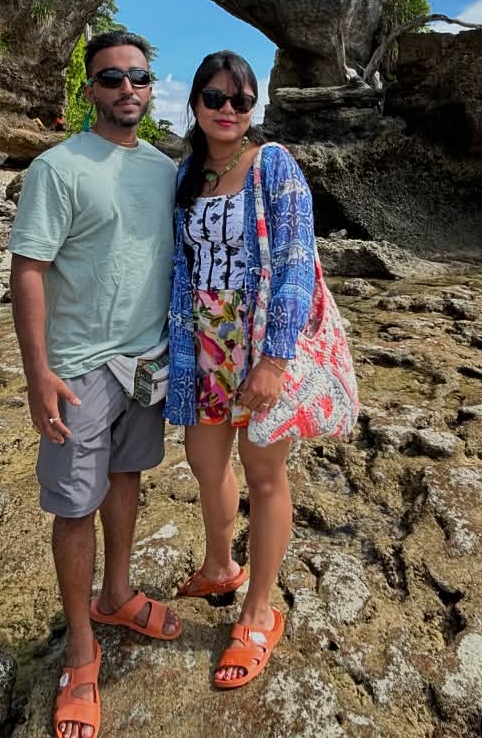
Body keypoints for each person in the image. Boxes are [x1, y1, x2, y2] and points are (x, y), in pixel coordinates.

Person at [9, 30, 181, 738]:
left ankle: (117, 593)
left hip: (146, 360)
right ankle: (80, 647)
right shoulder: (57, 167)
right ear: (89, 90)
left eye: (139, 77)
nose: (127, 90)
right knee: (73, 505)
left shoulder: (167, 171)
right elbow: (28, 271)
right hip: (77, 367)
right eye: (112, 79)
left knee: (127, 476)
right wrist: (37, 374)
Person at [165, 50, 315, 690]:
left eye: (242, 100)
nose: (228, 110)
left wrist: (275, 359)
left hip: (255, 341)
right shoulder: (185, 175)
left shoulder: (273, 164)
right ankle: (221, 566)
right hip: (198, 340)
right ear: (195, 103)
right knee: (206, 463)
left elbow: (295, 260)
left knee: (265, 472)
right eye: (216, 98)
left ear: (255, 108)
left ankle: (258, 610)